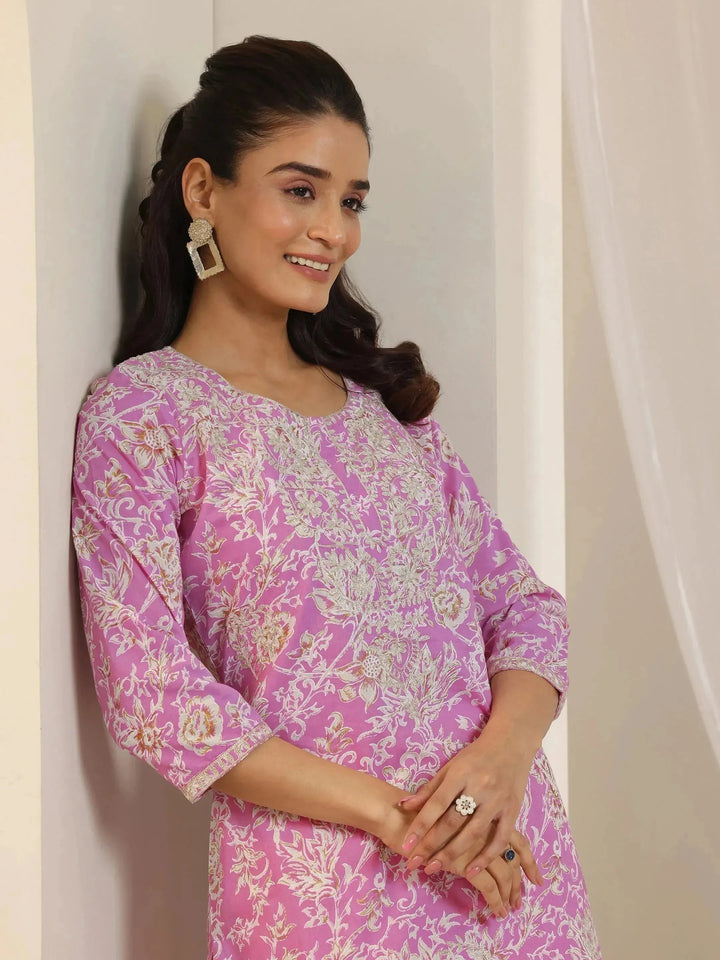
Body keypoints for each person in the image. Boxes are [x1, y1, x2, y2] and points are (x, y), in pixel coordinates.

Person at [71, 35, 602, 960]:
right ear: (203, 191)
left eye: (351, 202)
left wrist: (503, 761)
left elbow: (522, 607)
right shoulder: (147, 415)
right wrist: (405, 820)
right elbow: (151, 694)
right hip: (325, 900)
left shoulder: (388, 419)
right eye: (300, 190)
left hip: (512, 876)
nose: (334, 231)